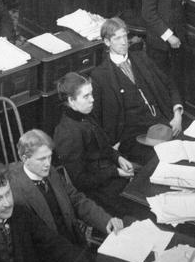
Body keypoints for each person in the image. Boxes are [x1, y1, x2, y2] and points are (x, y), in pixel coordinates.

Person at [90, 17, 183, 164]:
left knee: (184, 153)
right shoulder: (100, 76)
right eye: (117, 38)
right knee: (159, 162)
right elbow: (96, 118)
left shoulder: (142, 58)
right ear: (107, 42)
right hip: (133, 138)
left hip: (164, 124)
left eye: (125, 36)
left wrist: (177, 114)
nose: (124, 42)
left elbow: (168, 83)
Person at [9, 128, 124, 240]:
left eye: (49, 157)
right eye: (41, 159)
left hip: (72, 240)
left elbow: (77, 201)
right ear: (25, 159)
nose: (47, 164)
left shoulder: (52, 173)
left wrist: (106, 220)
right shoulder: (16, 192)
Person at [53, 72, 135, 215]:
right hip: (96, 192)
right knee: (139, 210)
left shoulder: (86, 115)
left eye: (91, 94)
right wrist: (115, 172)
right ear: (71, 101)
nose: (92, 100)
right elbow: (80, 182)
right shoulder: (67, 133)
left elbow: (104, 147)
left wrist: (118, 158)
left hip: (110, 176)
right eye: (86, 96)